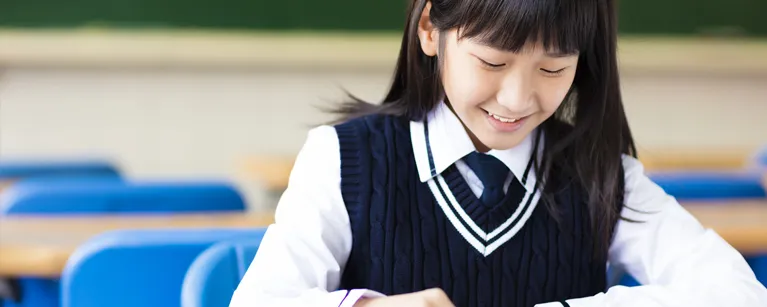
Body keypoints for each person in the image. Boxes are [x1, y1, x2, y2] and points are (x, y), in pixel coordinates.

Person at [230, 0, 767, 306]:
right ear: (429, 30)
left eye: (553, 69)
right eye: (491, 62)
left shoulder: (600, 175)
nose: (517, 99)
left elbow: (737, 293)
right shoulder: (344, 160)